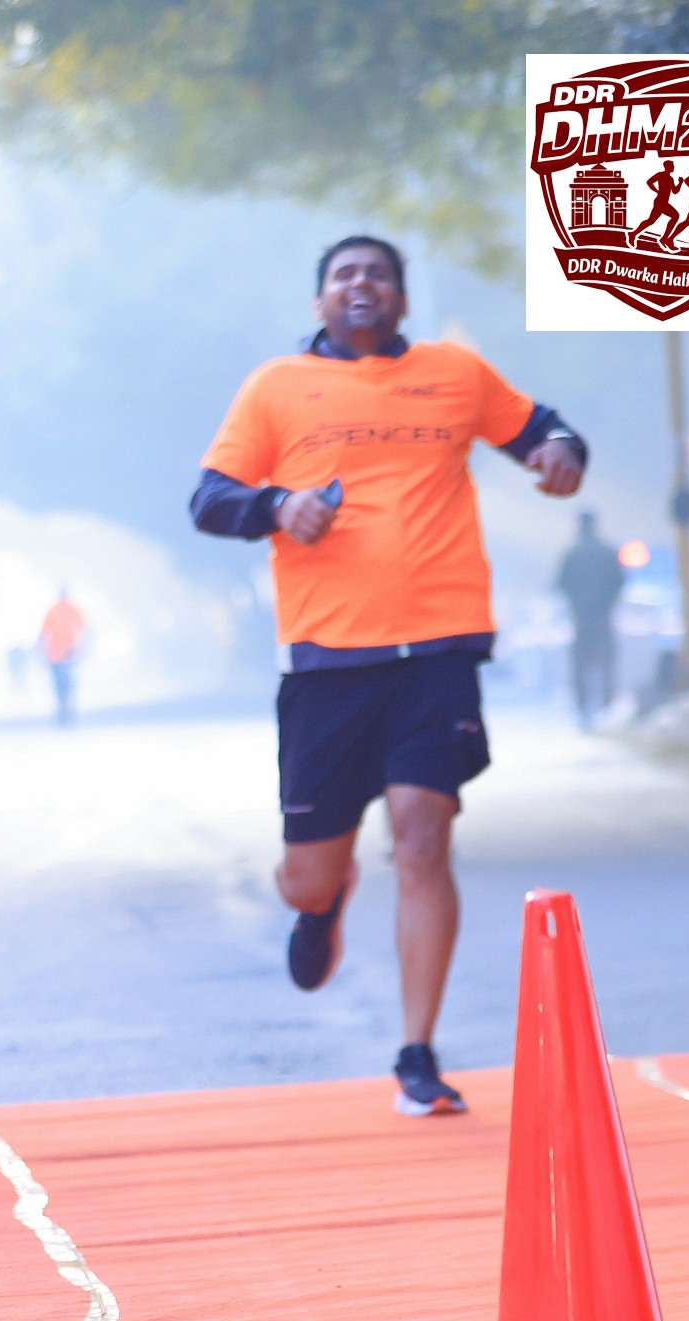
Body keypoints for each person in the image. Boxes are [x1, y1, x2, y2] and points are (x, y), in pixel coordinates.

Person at [191, 233, 587, 1118]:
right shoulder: (276, 387)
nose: (361, 283)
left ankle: (417, 1053)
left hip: (437, 654)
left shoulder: (454, 373)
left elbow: (543, 429)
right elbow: (209, 498)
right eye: (344, 275)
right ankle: (321, 904)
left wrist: (562, 452)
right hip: (328, 665)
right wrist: (277, 505)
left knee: (422, 837)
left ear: (402, 300)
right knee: (307, 873)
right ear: (320, 302)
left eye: (378, 273)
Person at [556, 512, 625, 726]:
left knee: (580, 664)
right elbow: (620, 581)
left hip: (580, 619)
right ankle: (606, 704)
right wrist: (607, 603)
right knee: (605, 661)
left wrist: (577, 602)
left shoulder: (572, 554)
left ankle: (583, 707)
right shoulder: (607, 552)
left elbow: (560, 584)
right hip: (603, 617)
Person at [40, 586, 87, 728]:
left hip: (60, 654)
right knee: (66, 685)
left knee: (62, 686)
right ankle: (66, 712)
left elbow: (44, 634)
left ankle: (65, 712)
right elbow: (82, 630)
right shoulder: (69, 610)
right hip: (65, 653)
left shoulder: (56, 611)